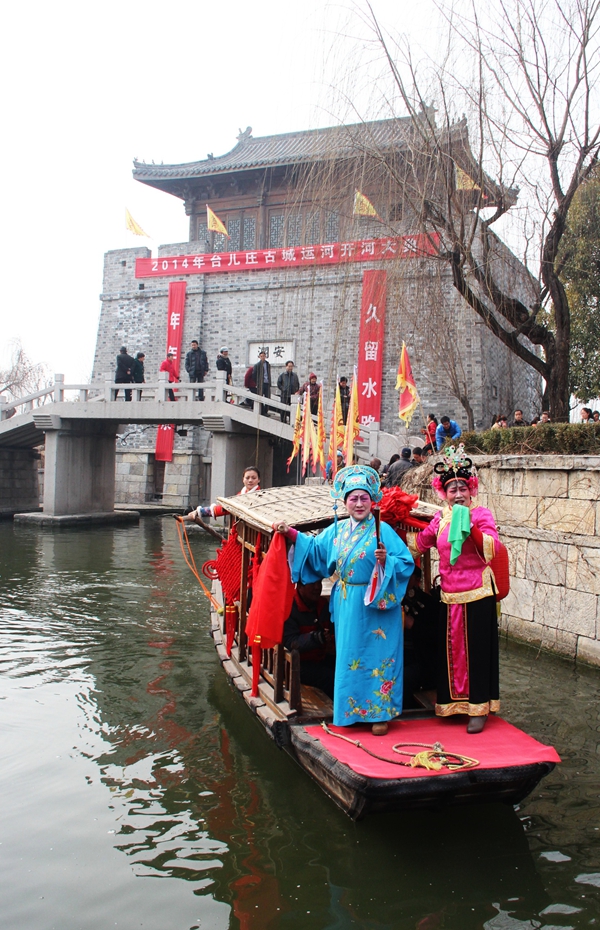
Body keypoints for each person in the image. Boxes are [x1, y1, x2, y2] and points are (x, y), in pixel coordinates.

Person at [274, 465, 414, 735]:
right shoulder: (335, 530)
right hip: (348, 603)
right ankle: (350, 711)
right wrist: (290, 533)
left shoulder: (381, 529)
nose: (359, 503)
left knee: (379, 657)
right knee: (351, 657)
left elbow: (406, 564)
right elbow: (313, 550)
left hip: (378, 602)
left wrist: (388, 561)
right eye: (353, 498)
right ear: (345, 501)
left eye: (364, 498)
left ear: (372, 500)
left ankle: (379, 714)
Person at [408, 445, 500, 734]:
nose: (458, 493)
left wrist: (470, 527)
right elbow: (419, 545)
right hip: (449, 593)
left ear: (471, 490)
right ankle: (452, 703)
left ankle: (478, 707)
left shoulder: (481, 514)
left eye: (462, 487)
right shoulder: (441, 518)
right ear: (443, 494)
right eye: (452, 489)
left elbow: (491, 548)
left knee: (477, 651)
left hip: (478, 592)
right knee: (452, 651)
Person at [283, 580, 335, 699]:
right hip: (297, 664)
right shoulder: (290, 608)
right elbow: (291, 642)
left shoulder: (323, 605)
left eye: (319, 583)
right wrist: (316, 637)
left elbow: (332, 631)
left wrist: (329, 639)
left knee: (344, 669)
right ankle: (332, 713)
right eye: (312, 584)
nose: (317, 587)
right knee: (329, 677)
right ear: (300, 586)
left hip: (319, 658)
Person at [184, 466, 261, 522]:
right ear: (243, 480)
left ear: (258, 480)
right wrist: (198, 511)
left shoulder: (260, 496)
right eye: (247, 478)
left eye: (253, 478)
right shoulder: (241, 494)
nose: (250, 480)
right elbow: (225, 508)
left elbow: (226, 509)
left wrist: (199, 512)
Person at [252, 351, 272, 415]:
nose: (263, 357)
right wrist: (257, 383)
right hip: (261, 384)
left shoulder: (268, 364)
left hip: (267, 383)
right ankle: (262, 411)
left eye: (264, 356)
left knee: (268, 397)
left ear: (265, 356)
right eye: (261, 356)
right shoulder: (257, 365)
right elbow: (254, 375)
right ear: (259, 357)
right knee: (260, 397)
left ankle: (266, 411)